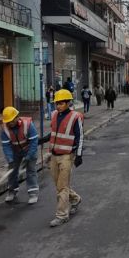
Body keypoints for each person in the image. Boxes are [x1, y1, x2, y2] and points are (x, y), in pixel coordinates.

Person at [48, 89, 84, 227]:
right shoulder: (54, 115)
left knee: (62, 187)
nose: (58, 106)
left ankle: (62, 215)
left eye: (61, 103)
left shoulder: (75, 117)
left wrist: (79, 155)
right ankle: (75, 199)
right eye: (57, 103)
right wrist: (42, 140)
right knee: (58, 185)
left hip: (66, 157)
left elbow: (80, 138)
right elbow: (53, 133)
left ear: (68, 103)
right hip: (54, 155)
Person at [0, 106, 39, 204]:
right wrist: (10, 160)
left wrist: (29, 156)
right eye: (8, 121)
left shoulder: (28, 124)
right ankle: (12, 191)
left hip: (29, 149)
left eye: (12, 121)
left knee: (31, 170)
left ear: (17, 117)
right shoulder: (4, 129)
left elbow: (34, 141)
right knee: (12, 171)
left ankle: (33, 193)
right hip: (15, 151)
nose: (10, 123)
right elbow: (6, 146)